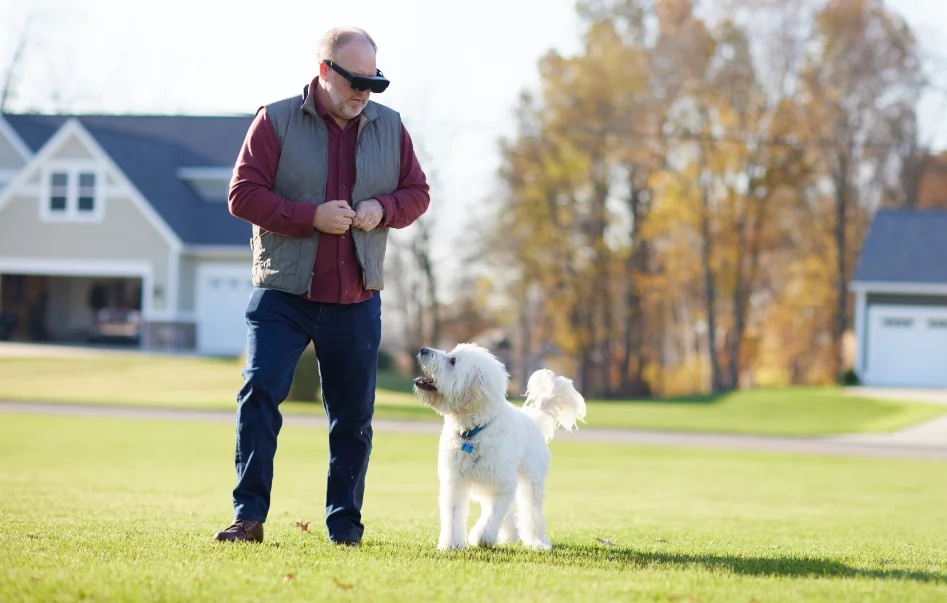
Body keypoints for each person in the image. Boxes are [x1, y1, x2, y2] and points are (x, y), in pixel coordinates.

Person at [214, 27, 430, 546]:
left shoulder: (390, 127)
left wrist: (384, 209)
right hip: (283, 294)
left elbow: (417, 193)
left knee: (353, 417)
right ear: (325, 71)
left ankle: (345, 529)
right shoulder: (275, 120)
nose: (364, 92)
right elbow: (241, 196)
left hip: (356, 297)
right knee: (259, 393)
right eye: (355, 80)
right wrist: (310, 216)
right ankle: (249, 517)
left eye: (374, 83)